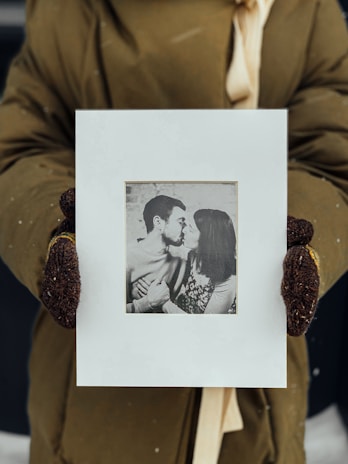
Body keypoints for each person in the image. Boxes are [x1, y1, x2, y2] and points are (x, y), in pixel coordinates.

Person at [0, 1, 347, 463]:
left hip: (252, 395)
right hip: (92, 394)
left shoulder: (301, 9)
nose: (191, 233)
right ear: (159, 222)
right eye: (181, 221)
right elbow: (22, 147)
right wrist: (57, 232)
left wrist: (297, 244)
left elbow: (332, 156)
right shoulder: (68, 9)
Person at [140, 209, 237, 315]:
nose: (184, 230)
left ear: (207, 240)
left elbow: (205, 325)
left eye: (190, 229)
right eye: (186, 225)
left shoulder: (228, 280)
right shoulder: (193, 256)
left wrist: (162, 302)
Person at [126, 194, 187, 313]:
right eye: (181, 222)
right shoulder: (126, 256)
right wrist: (148, 302)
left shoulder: (181, 260)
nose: (185, 229)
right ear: (158, 222)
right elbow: (109, 313)